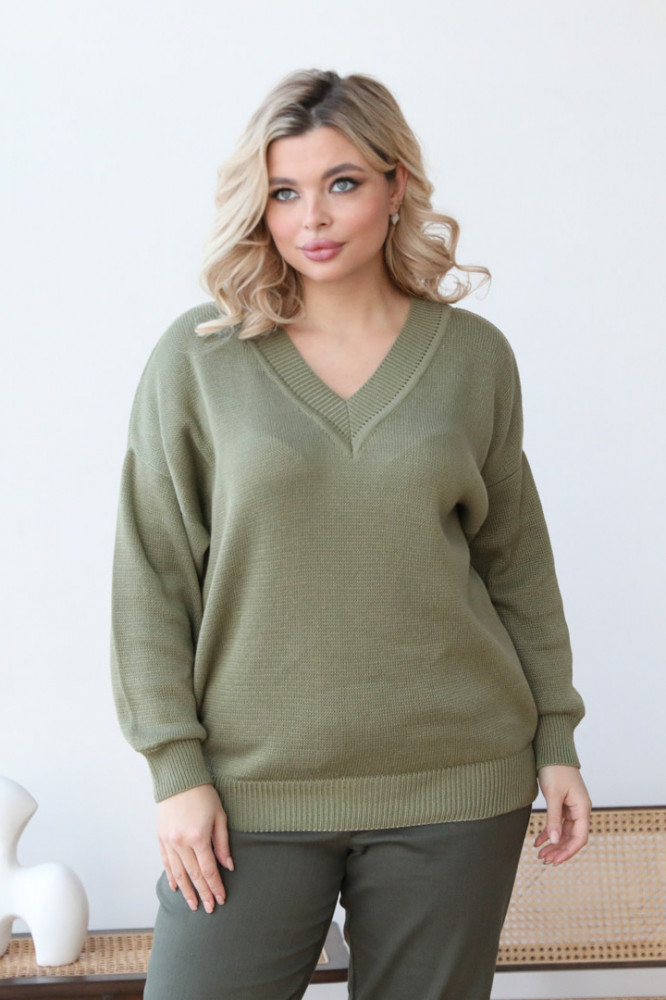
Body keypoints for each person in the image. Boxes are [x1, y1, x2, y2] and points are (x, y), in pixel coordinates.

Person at [111, 68, 591, 1000]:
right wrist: (175, 770)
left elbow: (517, 567)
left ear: (395, 185)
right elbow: (152, 576)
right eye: (284, 192)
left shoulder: (473, 358)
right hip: (248, 791)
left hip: (457, 781)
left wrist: (557, 738)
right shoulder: (199, 358)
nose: (313, 219)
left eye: (342, 183)